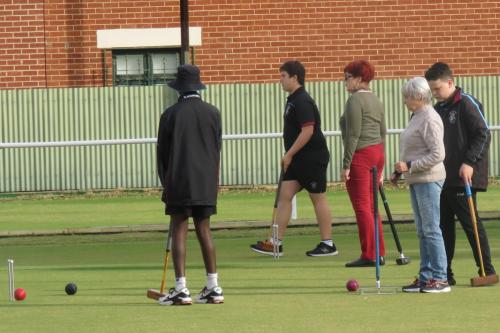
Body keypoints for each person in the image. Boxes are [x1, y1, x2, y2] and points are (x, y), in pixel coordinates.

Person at [250, 60, 338, 257]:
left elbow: (308, 131)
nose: (279, 80)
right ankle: (275, 242)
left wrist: (288, 154)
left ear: (294, 78)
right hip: (297, 159)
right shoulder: (292, 99)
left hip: (311, 158)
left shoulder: (302, 101)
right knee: (284, 196)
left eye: (283, 76)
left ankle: (328, 243)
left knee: (318, 197)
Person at [156, 64, 224, 305]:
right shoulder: (214, 112)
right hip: (206, 182)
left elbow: (162, 155)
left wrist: (166, 184)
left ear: (179, 89)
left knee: (179, 229)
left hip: (180, 180)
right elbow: (217, 149)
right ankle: (213, 286)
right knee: (204, 230)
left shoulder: (170, 114)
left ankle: (181, 288)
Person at [425, 62, 496, 285]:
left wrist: (469, 162)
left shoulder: (466, 103)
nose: (435, 94)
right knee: (443, 226)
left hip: (464, 176)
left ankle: (487, 270)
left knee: (470, 223)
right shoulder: (437, 109)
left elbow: (483, 134)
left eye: (438, 89)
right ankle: (445, 273)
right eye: (432, 90)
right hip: (442, 177)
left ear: (450, 82)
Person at [395, 77, 450, 293]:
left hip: (429, 179)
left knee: (431, 229)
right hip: (417, 180)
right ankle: (426, 276)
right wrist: (402, 169)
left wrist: (410, 165)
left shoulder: (429, 118)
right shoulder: (417, 116)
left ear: (418, 96)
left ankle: (440, 278)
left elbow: (438, 153)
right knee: (422, 230)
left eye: (407, 96)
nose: (405, 100)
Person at [340, 60, 386, 267]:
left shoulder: (355, 101)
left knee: (362, 206)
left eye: (347, 77)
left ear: (359, 79)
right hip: (377, 152)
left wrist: (346, 164)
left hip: (361, 154)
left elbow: (353, 134)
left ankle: (369, 254)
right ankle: (379, 251)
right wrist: (382, 164)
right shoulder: (376, 99)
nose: (345, 82)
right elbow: (383, 131)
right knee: (372, 205)